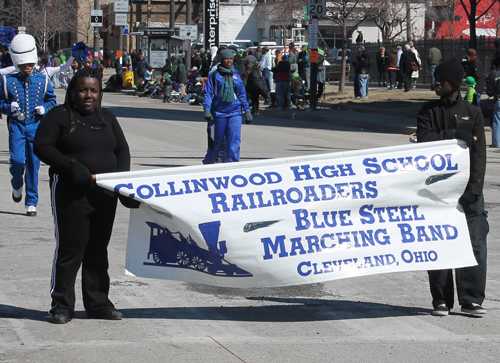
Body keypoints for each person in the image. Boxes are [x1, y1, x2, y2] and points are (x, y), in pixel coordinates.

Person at [33, 66, 138, 324]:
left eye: (94, 90)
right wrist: (70, 167)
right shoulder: (59, 116)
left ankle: (98, 304)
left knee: (97, 250)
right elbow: (41, 146)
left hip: (104, 195)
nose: (88, 95)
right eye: (83, 90)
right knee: (71, 250)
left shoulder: (108, 118)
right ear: (73, 91)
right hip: (71, 194)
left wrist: (121, 183)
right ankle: (61, 306)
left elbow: (122, 151)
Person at [416, 58, 488, 317]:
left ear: (454, 83)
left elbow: (479, 156)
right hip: (436, 193)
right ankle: (441, 301)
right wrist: (457, 135)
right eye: (436, 77)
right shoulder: (428, 111)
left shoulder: (474, 112)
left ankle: (471, 300)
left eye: (441, 79)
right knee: (439, 244)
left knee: (474, 245)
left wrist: (474, 190)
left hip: (468, 192)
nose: (436, 82)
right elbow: (424, 141)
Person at [0, 34, 57, 216]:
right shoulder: (8, 80)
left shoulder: (42, 79)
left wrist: (44, 108)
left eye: (30, 64)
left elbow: (52, 101)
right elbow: (0, 103)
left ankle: (31, 201)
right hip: (17, 125)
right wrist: (9, 107)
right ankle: (17, 183)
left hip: (36, 126)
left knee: (34, 163)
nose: (28, 68)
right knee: (17, 160)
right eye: (24, 65)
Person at [202, 49, 252, 164]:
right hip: (218, 113)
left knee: (234, 141)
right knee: (216, 141)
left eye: (231, 59)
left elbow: (242, 94)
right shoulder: (214, 75)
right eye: (226, 59)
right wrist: (207, 110)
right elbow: (208, 93)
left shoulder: (236, 74)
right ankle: (209, 163)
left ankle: (232, 165)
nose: (229, 61)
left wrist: (247, 111)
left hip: (235, 112)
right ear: (221, 59)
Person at [486, 57, 500, 147]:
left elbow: (489, 89)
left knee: (497, 122)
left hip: (498, 99)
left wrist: (491, 93)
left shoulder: (495, 74)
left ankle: (496, 143)